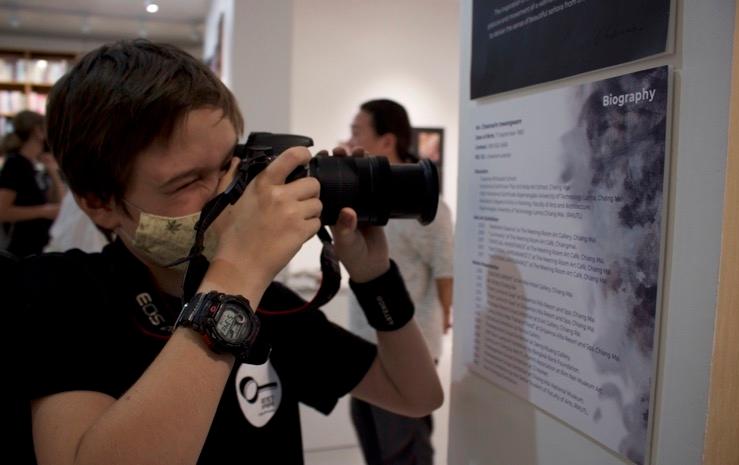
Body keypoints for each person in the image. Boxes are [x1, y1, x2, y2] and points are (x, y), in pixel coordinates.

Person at [21, 40, 442, 465]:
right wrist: (237, 277)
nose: (225, 192)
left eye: (228, 165)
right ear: (98, 202)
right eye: (187, 182)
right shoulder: (63, 292)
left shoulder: (268, 304)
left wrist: (374, 276)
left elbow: (416, 394)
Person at [346, 99, 454, 465]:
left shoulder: (425, 204)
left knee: (404, 451)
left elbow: (446, 271)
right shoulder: (362, 196)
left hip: (409, 349)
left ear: (387, 141)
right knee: (375, 447)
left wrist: (443, 323)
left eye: (358, 131)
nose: (350, 138)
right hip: (363, 342)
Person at [0, 110, 65, 257]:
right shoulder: (15, 164)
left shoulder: (35, 165)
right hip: (22, 251)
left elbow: (58, 203)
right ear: (37, 131)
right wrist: (43, 211)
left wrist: (53, 171)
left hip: (40, 248)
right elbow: (2, 211)